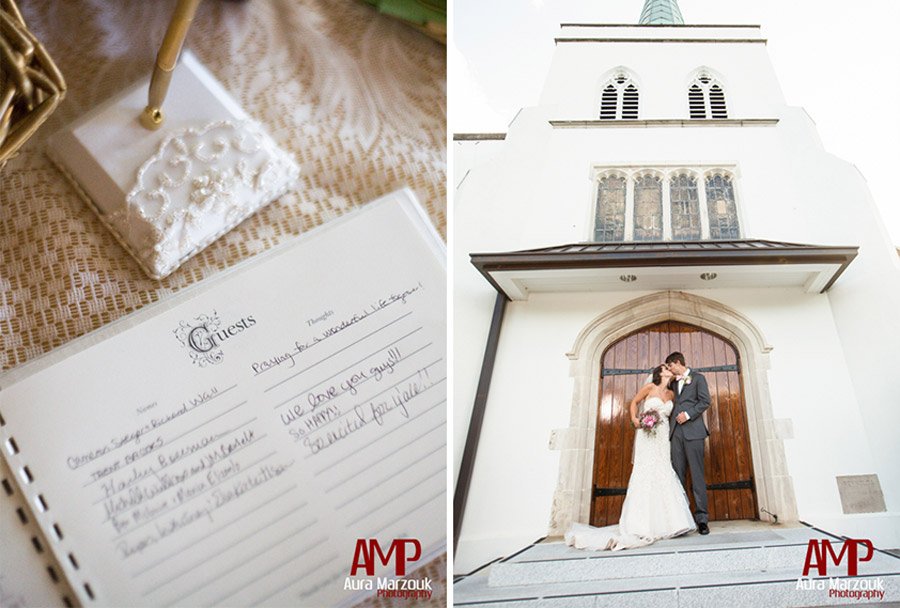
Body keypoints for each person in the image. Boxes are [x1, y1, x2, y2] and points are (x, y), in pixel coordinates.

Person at [565, 365, 696, 551]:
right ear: (660, 373)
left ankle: (671, 523)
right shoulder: (650, 388)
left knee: (663, 469)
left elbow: (672, 414)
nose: (669, 370)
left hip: (662, 436)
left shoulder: (672, 394)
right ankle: (640, 524)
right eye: (667, 368)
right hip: (646, 435)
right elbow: (634, 402)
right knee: (645, 471)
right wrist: (635, 419)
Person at [665, 351, 712, 535]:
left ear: (678, 363)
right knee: (678, 477)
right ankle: (682, 520)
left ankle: (702, 519)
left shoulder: (698, 378)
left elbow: (705, 401)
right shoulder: (673, 383)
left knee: (697, 476)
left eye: (671, 366)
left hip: (694, 433)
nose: (670, 370)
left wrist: (689, 414)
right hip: (675, 434)